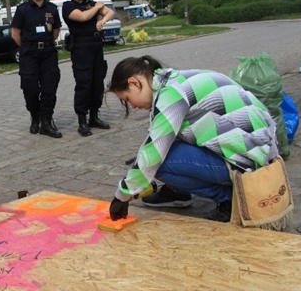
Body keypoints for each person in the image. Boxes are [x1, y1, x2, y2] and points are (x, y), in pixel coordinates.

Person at [106, 55, 279, 223]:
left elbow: (155, 152)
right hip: (261, 147)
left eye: (128, 99)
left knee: (159, 163)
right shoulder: (177, 79)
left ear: (134, 83)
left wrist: (122, 195)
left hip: (251, 159)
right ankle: (177, 192)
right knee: (162, 152)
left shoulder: (171, 94)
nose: (133, 106)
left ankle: (231, 198)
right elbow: (168, 133)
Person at [62, 0, 115, 137]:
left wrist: (103, 20)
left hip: (96, 45)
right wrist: (97, 7)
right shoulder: (68, 6)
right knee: (84, 83)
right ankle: (82, 121)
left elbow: (110, 12)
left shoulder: (90, 2)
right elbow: (83, 17)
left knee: (97, 82)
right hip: (81, 48)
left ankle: (94, 116)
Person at [11, 0, 62, 138]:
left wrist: (44, 43)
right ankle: (35, 117)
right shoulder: (23, 9)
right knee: (30, 89)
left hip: (48, 53)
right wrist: (29, 46)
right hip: (29, 54)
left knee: (49, 89)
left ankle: (46, 122)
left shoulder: (52, 9)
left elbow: (55, 31)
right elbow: (15, 34)